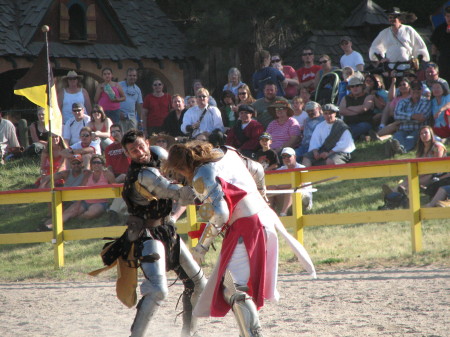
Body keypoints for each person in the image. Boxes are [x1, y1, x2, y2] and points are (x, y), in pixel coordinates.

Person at [164, 141, 316, 337]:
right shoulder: (228, 153)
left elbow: (220, 215)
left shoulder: (202, 175)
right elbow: (258, 169)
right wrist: (262, 195)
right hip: (262, 219)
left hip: (246, 226)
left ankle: (252, 334)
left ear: (182, 167)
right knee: (235, 283)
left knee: (233, 286)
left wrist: (201, 248)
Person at [117, 129, 206, 337]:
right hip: (147, 234)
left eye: (140, 146)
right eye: (133, 150)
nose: (139, 152)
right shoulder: (143, 175)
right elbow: (178, 193)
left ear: (147, 143)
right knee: (158, 290)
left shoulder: (157, 154)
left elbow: (181, 170)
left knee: (198, 283)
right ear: (127, 154)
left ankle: (189, 333)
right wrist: (208, 187)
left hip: (167, 229)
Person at [41, 155, 116, 231]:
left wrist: (112, 204)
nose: (96, 164)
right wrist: (78, 203)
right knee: (68, 212)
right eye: (94, 162)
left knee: (90, 213)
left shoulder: (107, 174)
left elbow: (115, 189)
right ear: (91, 165)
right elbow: (81, 189)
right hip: (85, 201)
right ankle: (47, 226)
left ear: (102, 164)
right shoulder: (88, 174)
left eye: (98, 162)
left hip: (100, 202)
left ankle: (77, 217)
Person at [386, 80, 431, 155]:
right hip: (403, 129)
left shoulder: (426, 102)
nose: (416, 91)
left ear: (422, 90)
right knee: (397, 138)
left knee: (411, 138)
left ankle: (400, 149)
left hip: (418, 130)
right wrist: (413, 116)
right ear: (410, 89)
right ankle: (396, 148)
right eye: (414, 88)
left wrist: (404, 118)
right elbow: (396, 116)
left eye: (418, 89)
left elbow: (422, 118)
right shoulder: (402, 102)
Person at [268, 147, 313, 216]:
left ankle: (283, 213)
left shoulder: (302, 168)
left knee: (291, 189)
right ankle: (269, 214)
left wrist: (279, 186)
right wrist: (275, 186)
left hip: (303, 200)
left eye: (288, 156)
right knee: (270, 188)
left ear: (294, 157)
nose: (286, 158)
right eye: (283, 156)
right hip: (285, 198)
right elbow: (273, 184)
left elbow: (299, 184)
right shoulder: (280, 170)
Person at [104, 124, 131, 225]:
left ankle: (114, 211)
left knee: (125, 185)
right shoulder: (108, 149)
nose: (115, 134)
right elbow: (109, 166)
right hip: (116, 176)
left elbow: (130, 158)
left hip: (129, 173)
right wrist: (109, 175)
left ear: (122, 132)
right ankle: (116, 213)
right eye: (112, 132)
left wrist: (122, 142)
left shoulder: (128, 144)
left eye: (117, 131)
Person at [119, 67, 143, 133]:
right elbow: (113, 100)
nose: (132, 77)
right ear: (126, 76)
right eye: (130, 75)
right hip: (120, 117)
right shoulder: (119, 85)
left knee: (133, 137)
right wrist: (118, 112)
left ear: (136, 77)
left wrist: (140, 120)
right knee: (121, 136)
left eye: (134, 76)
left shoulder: (137, 89)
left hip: (132, 118)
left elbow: (139, 105)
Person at [430, 5, 450, 83]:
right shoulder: (440, 29)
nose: (449, 19)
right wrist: (434, 59)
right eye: (447, 16)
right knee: (444, 81)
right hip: (444, 61)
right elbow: (434, 44)